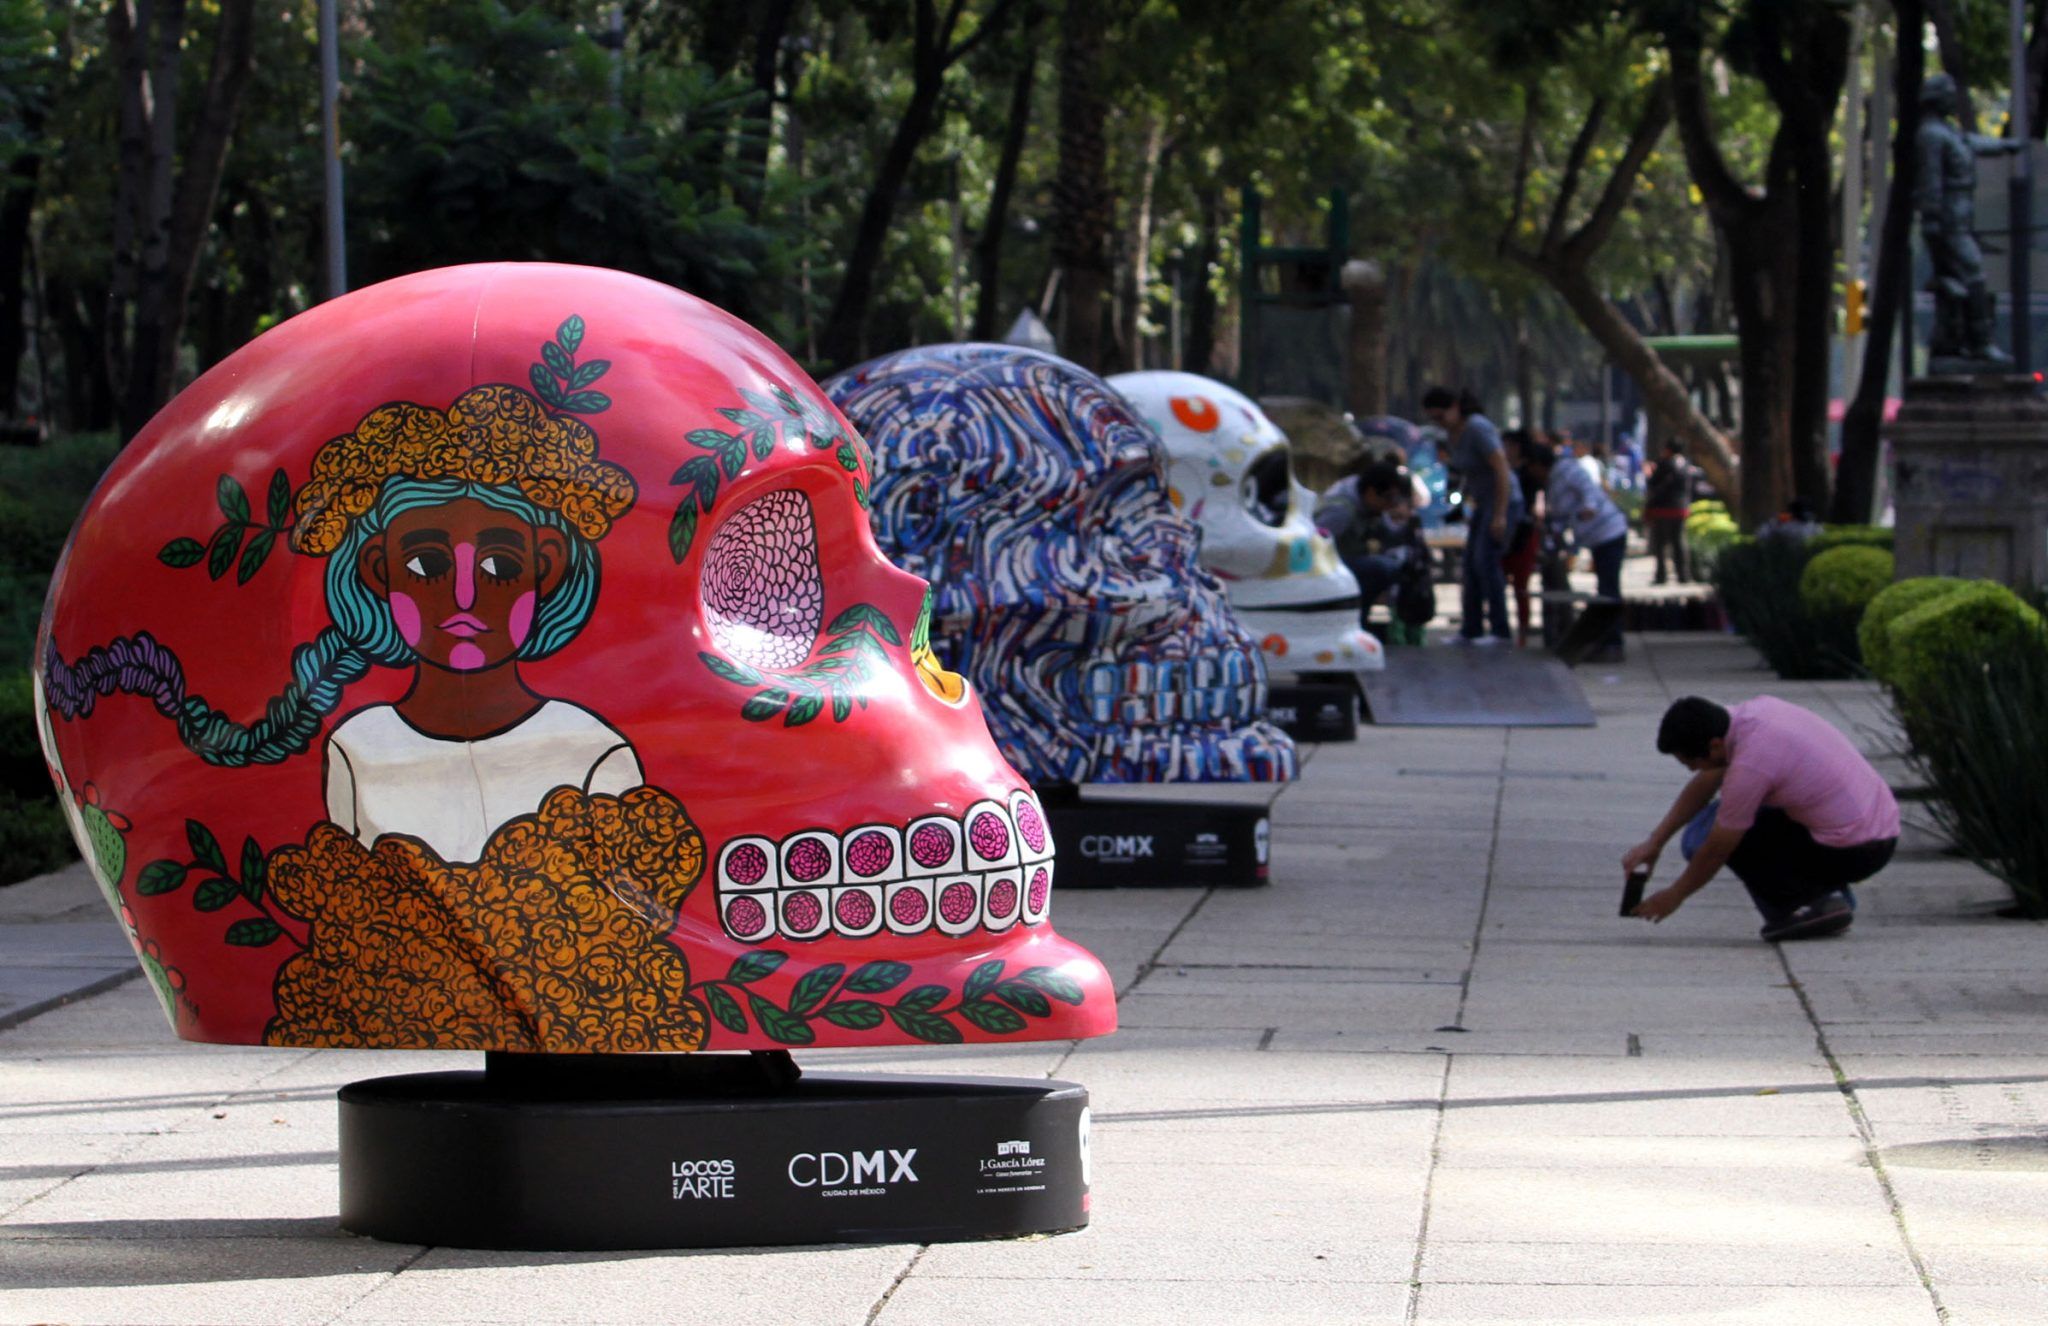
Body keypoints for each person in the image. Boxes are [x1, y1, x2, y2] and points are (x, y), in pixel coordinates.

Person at [1624, 696, 1900, 942]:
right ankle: (1826, 899)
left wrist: (1676, 895)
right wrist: (1654, 843)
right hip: (1880, 833)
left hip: (1854, 852)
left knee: (1703, 837)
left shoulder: (1750, 765)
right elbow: (1708, 779)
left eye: (1692, 763)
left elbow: (1717, 848)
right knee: (1721, 816)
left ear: (1714, 745)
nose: (1691, 770)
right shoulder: (1753, 715)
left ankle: (1806, 904)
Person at [1422, 386, 1520, 644]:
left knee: (1485, 561)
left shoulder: (1477, 428)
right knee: (1469, 565)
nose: (1439, 423)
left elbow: (1501, 470)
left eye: (1441, 416)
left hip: (1502, 501)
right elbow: (1461, 474)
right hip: (1482, 503)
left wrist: (1499, 515)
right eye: (1433, 419)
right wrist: (1457, 506)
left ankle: (1500, 630)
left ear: (1455, 408)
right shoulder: (1451, 435)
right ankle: (1471, 628)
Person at [1524, 438, 1629, 662]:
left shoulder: (1567, 470)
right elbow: (1561, 517)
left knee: (1608, 591)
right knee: (1604, 589)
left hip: (1609, 532)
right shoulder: (1552, 484)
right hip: (1595, 538)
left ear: (1538, 464)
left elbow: (1588, 488)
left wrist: (1589, 507)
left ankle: (1613, 644)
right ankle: (1601, 642)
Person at [1317, 460, 1434, 643]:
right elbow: (1316, 544)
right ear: (1372, 492)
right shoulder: (1341, 510)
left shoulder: (1366, 499)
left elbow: (1389, 532)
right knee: (1381, 568)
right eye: (1388, 498)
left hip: (1346, 563)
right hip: (1328, 569)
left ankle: (1362, 622)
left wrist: (1404, 521)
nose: (1391, 504)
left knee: (1397, 564)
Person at [1501, 429, 1543, 648]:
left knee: (1521, 586)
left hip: (1524, 535)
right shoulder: (1502, 470)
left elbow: (1537, 504)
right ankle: (1501, 628)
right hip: (1504, 534)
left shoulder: (1529, 472)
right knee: (1497, 581)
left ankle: (1523, 632)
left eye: (1507, 445)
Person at [1643, 439, 1694, 584]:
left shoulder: (1663, 464)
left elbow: (1652, 484)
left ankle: (1661, 575)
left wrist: (1648, 472)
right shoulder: (1686, 464)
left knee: (1660, 543)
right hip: (1680, 508)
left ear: (1668, 449)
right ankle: (1683, 575)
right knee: (1679, 542)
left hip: (1662, 509)